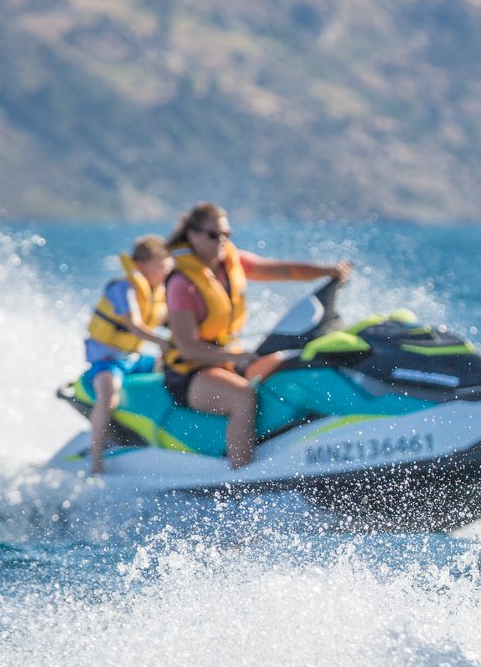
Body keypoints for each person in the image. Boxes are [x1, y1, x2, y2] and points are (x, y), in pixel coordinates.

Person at [161, 202, 352, 469]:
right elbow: (188, 349)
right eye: (213, 235)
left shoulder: (230, 262)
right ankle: (241, 475)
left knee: (289, 365)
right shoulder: (182, 284)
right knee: (243, 396)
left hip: (225, 362)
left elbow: (283, 270)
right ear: (192, 235)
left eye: (227, 234)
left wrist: (327, 272)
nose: (222, 241)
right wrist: (237, 356)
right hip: (190, 374)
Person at [83, 235, 173, 475]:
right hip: (107, 361)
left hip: (133, 359)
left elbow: (170, 322)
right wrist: (161, 342)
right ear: (141, 265)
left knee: (174, 370)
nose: (165, 271)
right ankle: (96, 459)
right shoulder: (123, 288)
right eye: (160, 266)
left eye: (167, 266)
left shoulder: (158, 293)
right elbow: (133, 324)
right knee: (108, 396)